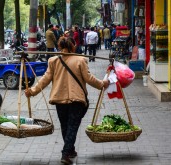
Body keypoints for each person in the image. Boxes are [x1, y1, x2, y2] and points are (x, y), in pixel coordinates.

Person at [24, 37, 109, 165]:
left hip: (59, 99)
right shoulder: (80, 60)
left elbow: (44, 80)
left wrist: (33, 91)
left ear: (59, 47)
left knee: (66, 126)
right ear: (73, 46)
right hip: (77, 100)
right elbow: (89, 78)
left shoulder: (53, 60)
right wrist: (103, 83)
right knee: (72, 127)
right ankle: (65, 153)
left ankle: (71, 150)